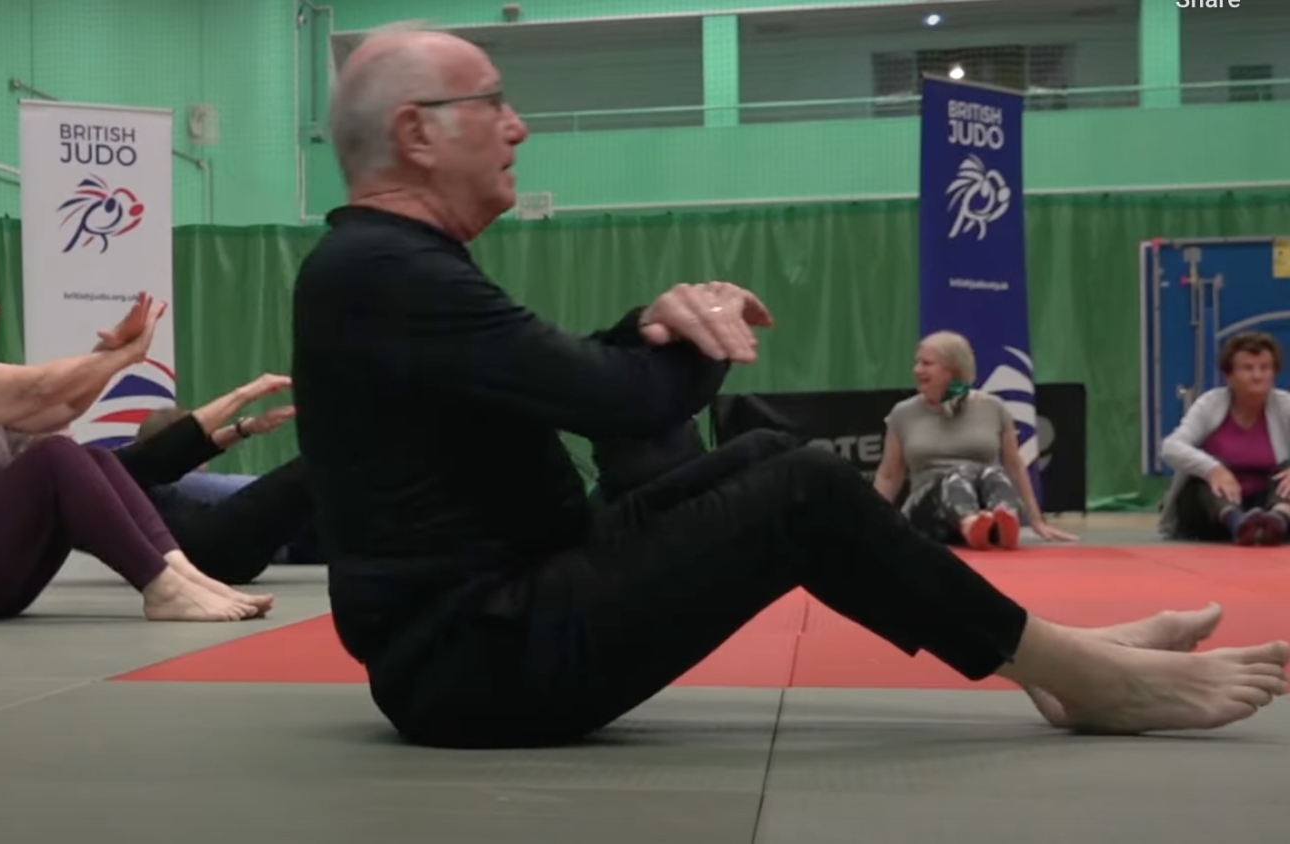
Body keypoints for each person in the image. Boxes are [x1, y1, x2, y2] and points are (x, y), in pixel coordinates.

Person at [288, 24, 1286, 750]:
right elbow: (622, 402)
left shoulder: (390, 267)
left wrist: (658, 324)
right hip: (475, 663)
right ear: (417, 134)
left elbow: (564, 380)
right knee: (798, 486)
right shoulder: (383, 270)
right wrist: (696, 331)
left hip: (502, 615)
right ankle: (1080, 675)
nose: (520, 126)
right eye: (494, 103)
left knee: (770, 458)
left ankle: (1056, 660)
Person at [0, 236, 274, 624]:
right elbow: (40, 388)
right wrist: (124, 355)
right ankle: (162, 586)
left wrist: (109, 355)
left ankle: (179, 573)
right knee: (54, 456)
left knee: (86, 455)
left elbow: (57, 407)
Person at [872, 331, 1079, 549]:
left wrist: (1037, 519)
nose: (917, 370)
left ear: (952, 369)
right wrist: (870, 523)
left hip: (983, 503)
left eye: (927, 364)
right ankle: (971, 526)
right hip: (929, 510)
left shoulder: (993, 407)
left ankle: (1003, 522)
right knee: (957, 475)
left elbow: (1014, 465)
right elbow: (889, 475)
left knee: (993, 474)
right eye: (917, 363)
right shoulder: (903, 413)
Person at [110, 374, 320, 584]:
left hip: (214, 551)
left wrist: (244, 428)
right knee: (320, 463)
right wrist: (246, 394)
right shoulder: (99, 476)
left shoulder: (103, 474)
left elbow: (173, 453)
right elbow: (172, 449)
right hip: (213, 547)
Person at [1159, 332, 1290, 546]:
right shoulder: (1210, 403)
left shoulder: (1285, 405)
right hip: (1210, 512)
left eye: (1265, 368)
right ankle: (1238, 524)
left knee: (1287, 467)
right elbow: (1171, 447)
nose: (1257, 376)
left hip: (1264, 501)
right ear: (1229, 376)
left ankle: (1277, 521)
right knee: (1203, 471)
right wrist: (1212, 470)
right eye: (1248, 369)